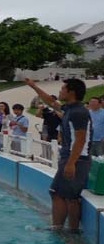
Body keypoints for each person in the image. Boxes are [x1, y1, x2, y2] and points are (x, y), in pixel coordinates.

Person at [25, 78, 92, 232]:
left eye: (63, 89)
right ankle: (58, 227)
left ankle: (72, 232)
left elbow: (81, 139)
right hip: (70, 158)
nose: (60, 91)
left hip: (77, 160)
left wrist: (71, 163)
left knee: (71, 198)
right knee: (57, 193)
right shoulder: (70, 108)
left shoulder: (78, 112)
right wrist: (34, 86)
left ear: (71, 92)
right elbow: (51, 101)